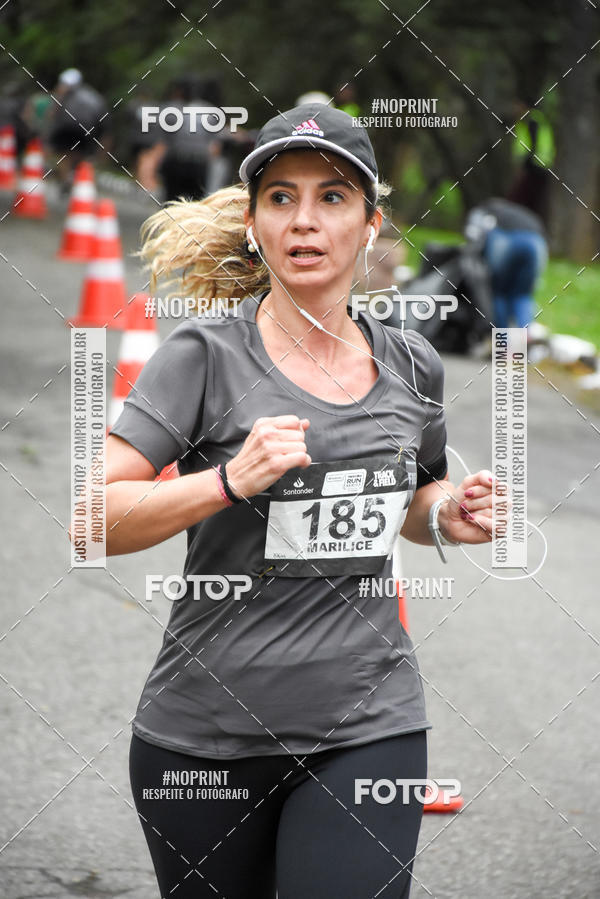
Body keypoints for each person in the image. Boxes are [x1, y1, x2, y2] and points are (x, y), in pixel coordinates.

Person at [93, 103, 499, 898]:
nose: (304, 221)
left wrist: (449, 514)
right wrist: (225, 481)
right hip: (205, 736)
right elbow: (93, 518)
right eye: (281, 197)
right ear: (253, 222)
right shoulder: (201, 356)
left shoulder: (414, 364)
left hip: (371, 722)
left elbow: (417, 495)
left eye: (332, 198)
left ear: (372, 225)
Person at [465, 196, 548, 331]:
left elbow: (472, 235)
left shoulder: (484, 209)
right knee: (523, 294)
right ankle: (525, 335)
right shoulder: (520, 212)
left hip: (506, 239)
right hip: (536, 243)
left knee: (499, 292)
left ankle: (502, 342)